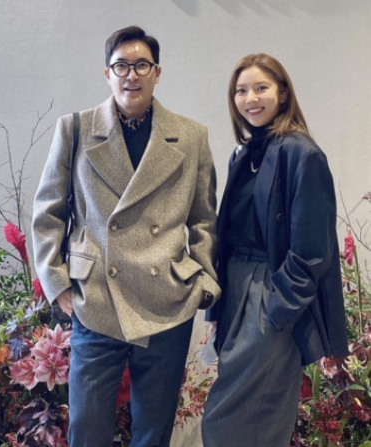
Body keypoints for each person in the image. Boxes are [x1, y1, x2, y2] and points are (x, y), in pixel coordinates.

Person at [32, 26, 221, 447]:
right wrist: (57, 284)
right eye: (121, 66)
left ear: (157, 73)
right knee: (87, 428)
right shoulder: (76, 129)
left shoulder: (191, 136)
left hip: (166, 303)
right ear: (107, 74)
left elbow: (204, 220)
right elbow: (47, 213)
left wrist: (203, 283)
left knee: (153, 431)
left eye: (141, 65)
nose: (131, 75)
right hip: (97, 299)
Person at [202, 53, 349, 447]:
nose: (250, 98)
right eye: (241, 90)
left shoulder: (303, 153)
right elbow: (226, 238)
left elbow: (313, 249)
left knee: (247, 413)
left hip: (272, 292)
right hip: (236, 290)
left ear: (283, 94)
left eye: (261, 88)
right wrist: (218, 307)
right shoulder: (243, 155)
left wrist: (279, 309)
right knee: (241, 410)